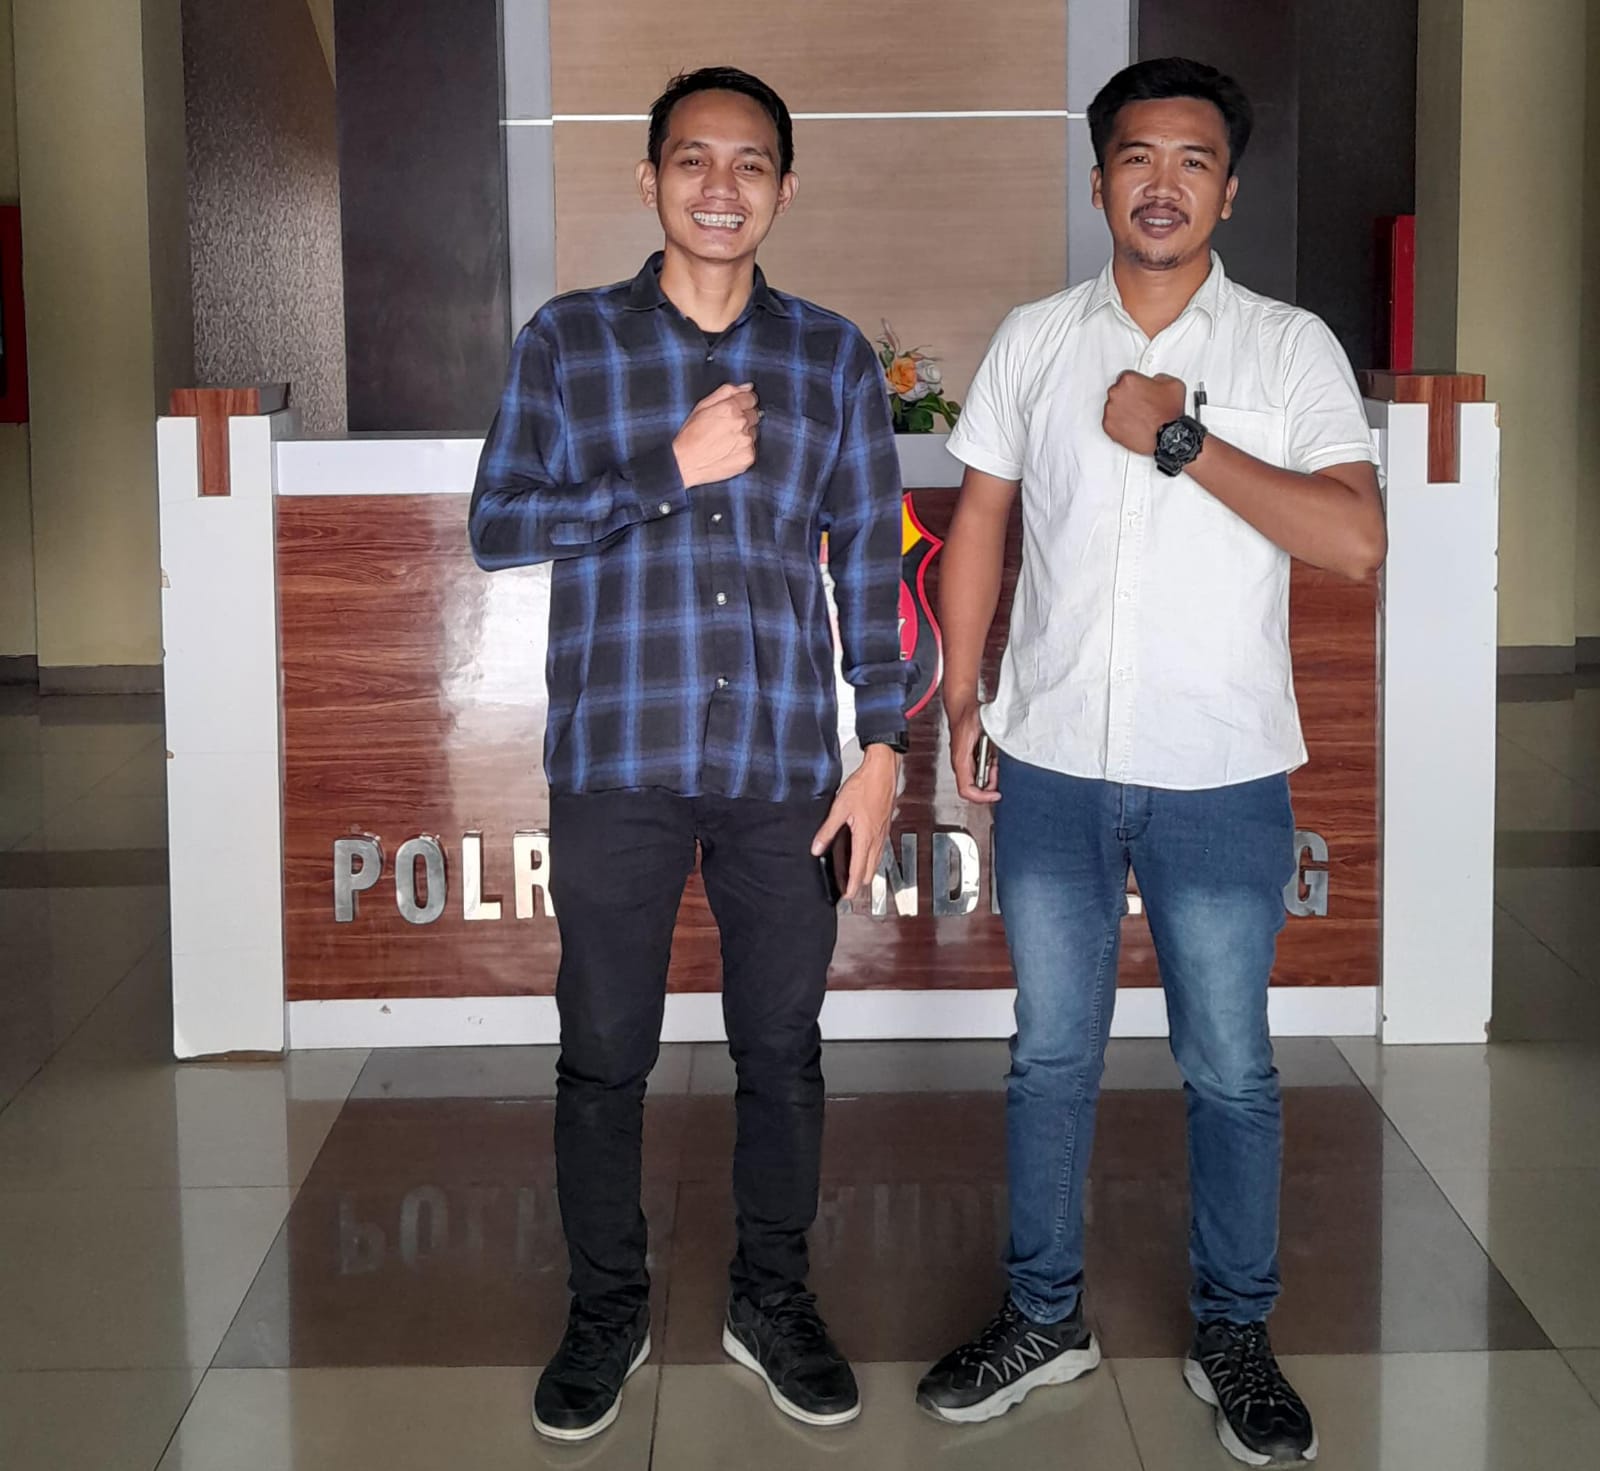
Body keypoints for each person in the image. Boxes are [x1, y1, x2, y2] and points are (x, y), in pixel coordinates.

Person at [916, 57, 1385, 1466]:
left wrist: (1180, 438)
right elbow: (981, 518)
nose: (1162, 184)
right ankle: (1042, 1316)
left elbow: (1354, 539)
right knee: (1049, 1056)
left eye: (1192, 161)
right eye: (1137, 157)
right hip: (1054, 755)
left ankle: (1235, 1331)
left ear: (1228, 190)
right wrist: (962, 692)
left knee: (1229, 1067)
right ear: (1100, 179)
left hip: (1221, 767)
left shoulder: (1288, 348)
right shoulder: (1037, 339)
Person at [468, 66, 909, 1443]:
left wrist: (883, 743)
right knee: (604, 1051)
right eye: (694, 160)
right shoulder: (568, 342)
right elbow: (497, 527)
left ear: (784, 187)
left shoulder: (832, 357)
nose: (722, 187)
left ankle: (770, 1300)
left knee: (782, 1049)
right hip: (619, 755)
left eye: (751, 164)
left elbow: (873, 561)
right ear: (651, 178)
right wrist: (668, 469)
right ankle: (606, 1308)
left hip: (783, 766)